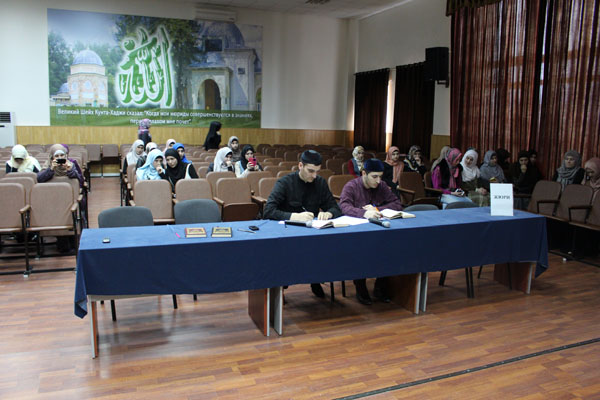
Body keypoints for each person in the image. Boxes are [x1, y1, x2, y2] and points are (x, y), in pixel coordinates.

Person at [264, 150, 342, 298]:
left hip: (312, 234)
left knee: (325, 247)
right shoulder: (285, 182)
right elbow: (268, 211)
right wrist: (294, 217)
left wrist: (329, 213)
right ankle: (281, 285)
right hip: (288, 233)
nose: (314, 176)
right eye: (311, 171)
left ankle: (315, 279)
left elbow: (335, 208)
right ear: (300, 165)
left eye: (317, 172)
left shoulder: (320, 183)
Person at [339, 158, 403, 305]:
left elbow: (397, 204)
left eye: (380, 176)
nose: (378, 181)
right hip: (357, 233)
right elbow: (344, 207)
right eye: (374, 177)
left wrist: (376, 209)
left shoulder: (382, 186)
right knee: (361, 252)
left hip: (379, 232)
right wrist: (364, 213)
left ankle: (380, 287)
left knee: (390, 250)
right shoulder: (351, 186)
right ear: (364, 174)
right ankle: (360, 287)